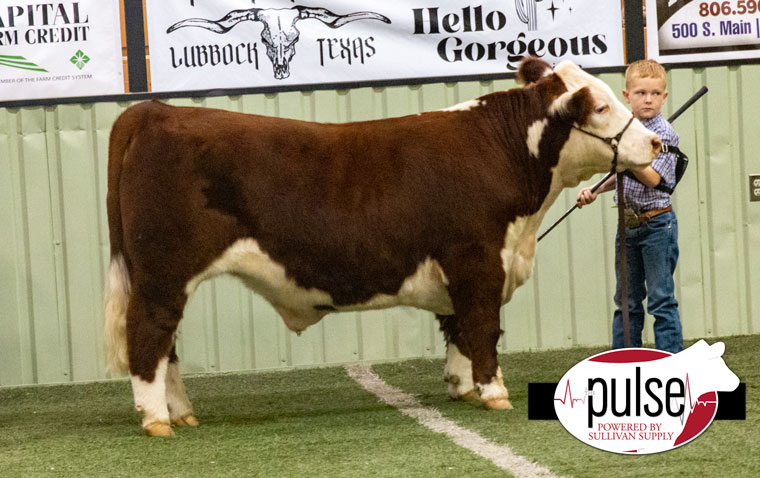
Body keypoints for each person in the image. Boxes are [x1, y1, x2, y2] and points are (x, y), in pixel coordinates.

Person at [576, 59, 683, 354]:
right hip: (628, 226)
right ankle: (625, 361)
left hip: (658, 225)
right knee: (626, 301)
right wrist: (595, 190)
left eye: (654, 93)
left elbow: (652, 179)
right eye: (640, 93)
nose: (647, 99)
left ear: (664, 97)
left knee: (661, 300)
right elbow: (621, 172)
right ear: (626, 96)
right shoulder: (625, 128)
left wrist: (628, 154)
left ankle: (672, 365)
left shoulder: (664, 133)